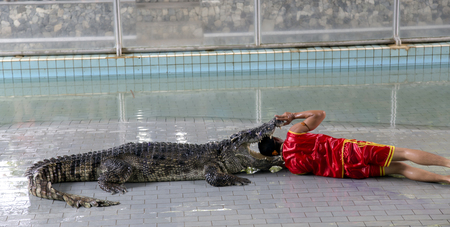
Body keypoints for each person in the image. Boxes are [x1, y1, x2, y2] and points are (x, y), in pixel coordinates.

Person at [258, 110, 450, 183]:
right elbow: (319, 114)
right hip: (351, 151)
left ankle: (445, 179)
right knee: (405, 154)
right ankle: (448, 163)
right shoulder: (294, 134)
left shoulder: (293, 168)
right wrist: (294, 116)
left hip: (348, 171)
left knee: (401, 168)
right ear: (276, 140)